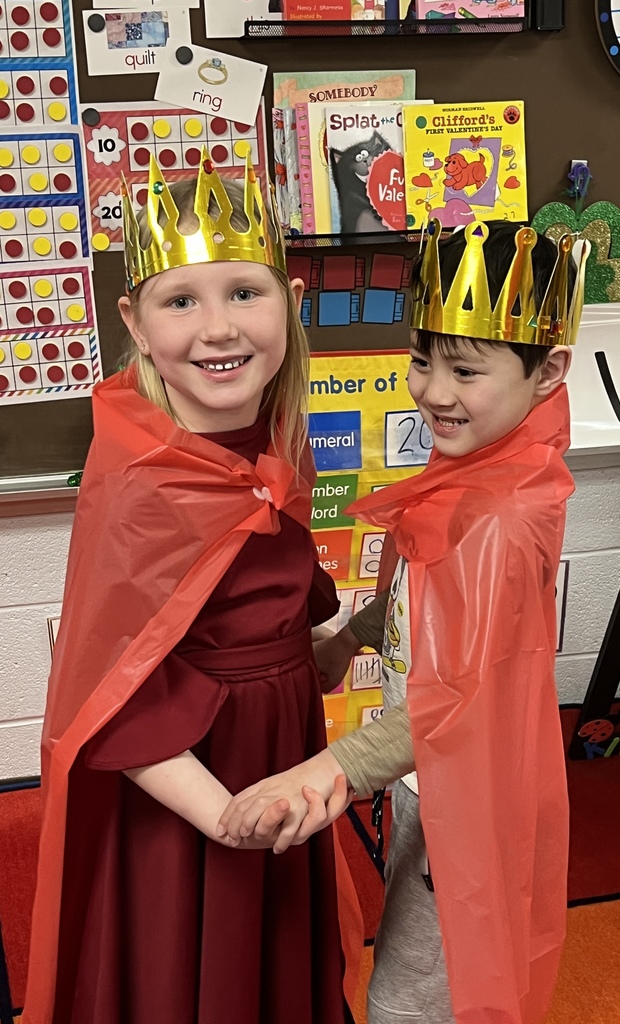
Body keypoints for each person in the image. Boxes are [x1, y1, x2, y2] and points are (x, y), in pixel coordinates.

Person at [217, 219, 589, 1024]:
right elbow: (434, 605)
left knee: (416, 995)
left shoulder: (497, 516)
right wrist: (349, 638)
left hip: (469, 794)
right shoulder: (483, 466)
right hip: (432, 781)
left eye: (465, 369)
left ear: (550, 371)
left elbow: (450, 699)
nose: (432, 390)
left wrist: (327, 772)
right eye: (423, 360)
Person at [24, 150, 361, 1024]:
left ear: (288, 301)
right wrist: (224, 818)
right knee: (192, 981)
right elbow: (113, 695)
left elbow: (283, 652)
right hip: (193, 803)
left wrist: (358, 633)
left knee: (273, 974)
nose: (218, 329)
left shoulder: (274, 448)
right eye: (183, 301)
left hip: (276, 773)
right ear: (136, 323)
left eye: (245, 292)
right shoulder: (141, 477)